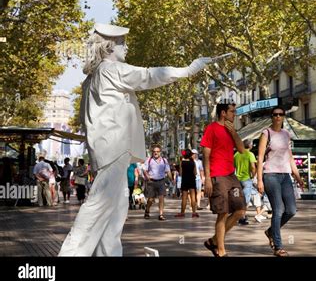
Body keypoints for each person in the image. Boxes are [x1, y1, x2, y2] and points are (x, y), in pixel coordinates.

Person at [59, 23, 213, 256]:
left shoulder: (92, 77)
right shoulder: (111, 69)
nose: (127, 47)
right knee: (97, 206)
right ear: (110, 46)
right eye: (122, 43)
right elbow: (149, 75)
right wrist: (189, 69)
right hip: (114, 148)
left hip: (108, 149)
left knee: (116, 212)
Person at [256, 107, 305, 257]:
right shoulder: (266, 133)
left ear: (284, 117)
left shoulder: (286, 134)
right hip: (270, 175)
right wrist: (259, 180)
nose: (278, 117)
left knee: (291, 210)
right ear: (272, 117)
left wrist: (298, 177)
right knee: (278, 210)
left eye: (280, 114)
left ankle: (270, 231)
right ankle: (278, 246)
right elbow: (260, 158)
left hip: (285, 176)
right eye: (275, 114)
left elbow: (289, 157)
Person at [201, 102, 246, 257]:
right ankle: (221, 251)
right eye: (232, 112)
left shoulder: (232, 130)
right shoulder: (211, 129)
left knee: (240, 210)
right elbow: (205, 155)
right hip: (217, 175)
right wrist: (207, 178)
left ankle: (213, 240)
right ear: (223, 113)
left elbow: (241, 150)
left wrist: (234, 133)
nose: (235, 114)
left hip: (231, 176)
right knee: (223, 213)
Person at [143, 144, 171, 220]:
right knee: (151, 199)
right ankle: (147, 210)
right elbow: (144, 169)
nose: (156, 153)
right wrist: (147, 176)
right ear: (152, 152)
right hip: (152, 182)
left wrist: (171, 179)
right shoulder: (149, 160)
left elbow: (168, 170)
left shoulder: (164, 160)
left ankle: (161, 214)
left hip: (161, 181)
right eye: (154, 151)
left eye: (157, 151)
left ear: (160, 152)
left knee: (161, 198)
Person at [234, 139, 258, 225]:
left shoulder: (236, 154)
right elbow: (253, 167)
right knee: (245, 200)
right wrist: (253, 176)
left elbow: (233, 167)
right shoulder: (250, 154)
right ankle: (242, 218)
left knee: (238, 198)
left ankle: (237, 216)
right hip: (246, 179)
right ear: (250, 146)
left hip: (237, 180)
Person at [175, 149, 199, 217]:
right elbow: (195, 173)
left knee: (184, 198)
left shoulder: (182, 162)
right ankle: (194, 212)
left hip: (185, 180)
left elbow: (180, 173)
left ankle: (182, 212)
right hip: (192, 180)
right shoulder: (193, 162)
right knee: (193, 197)